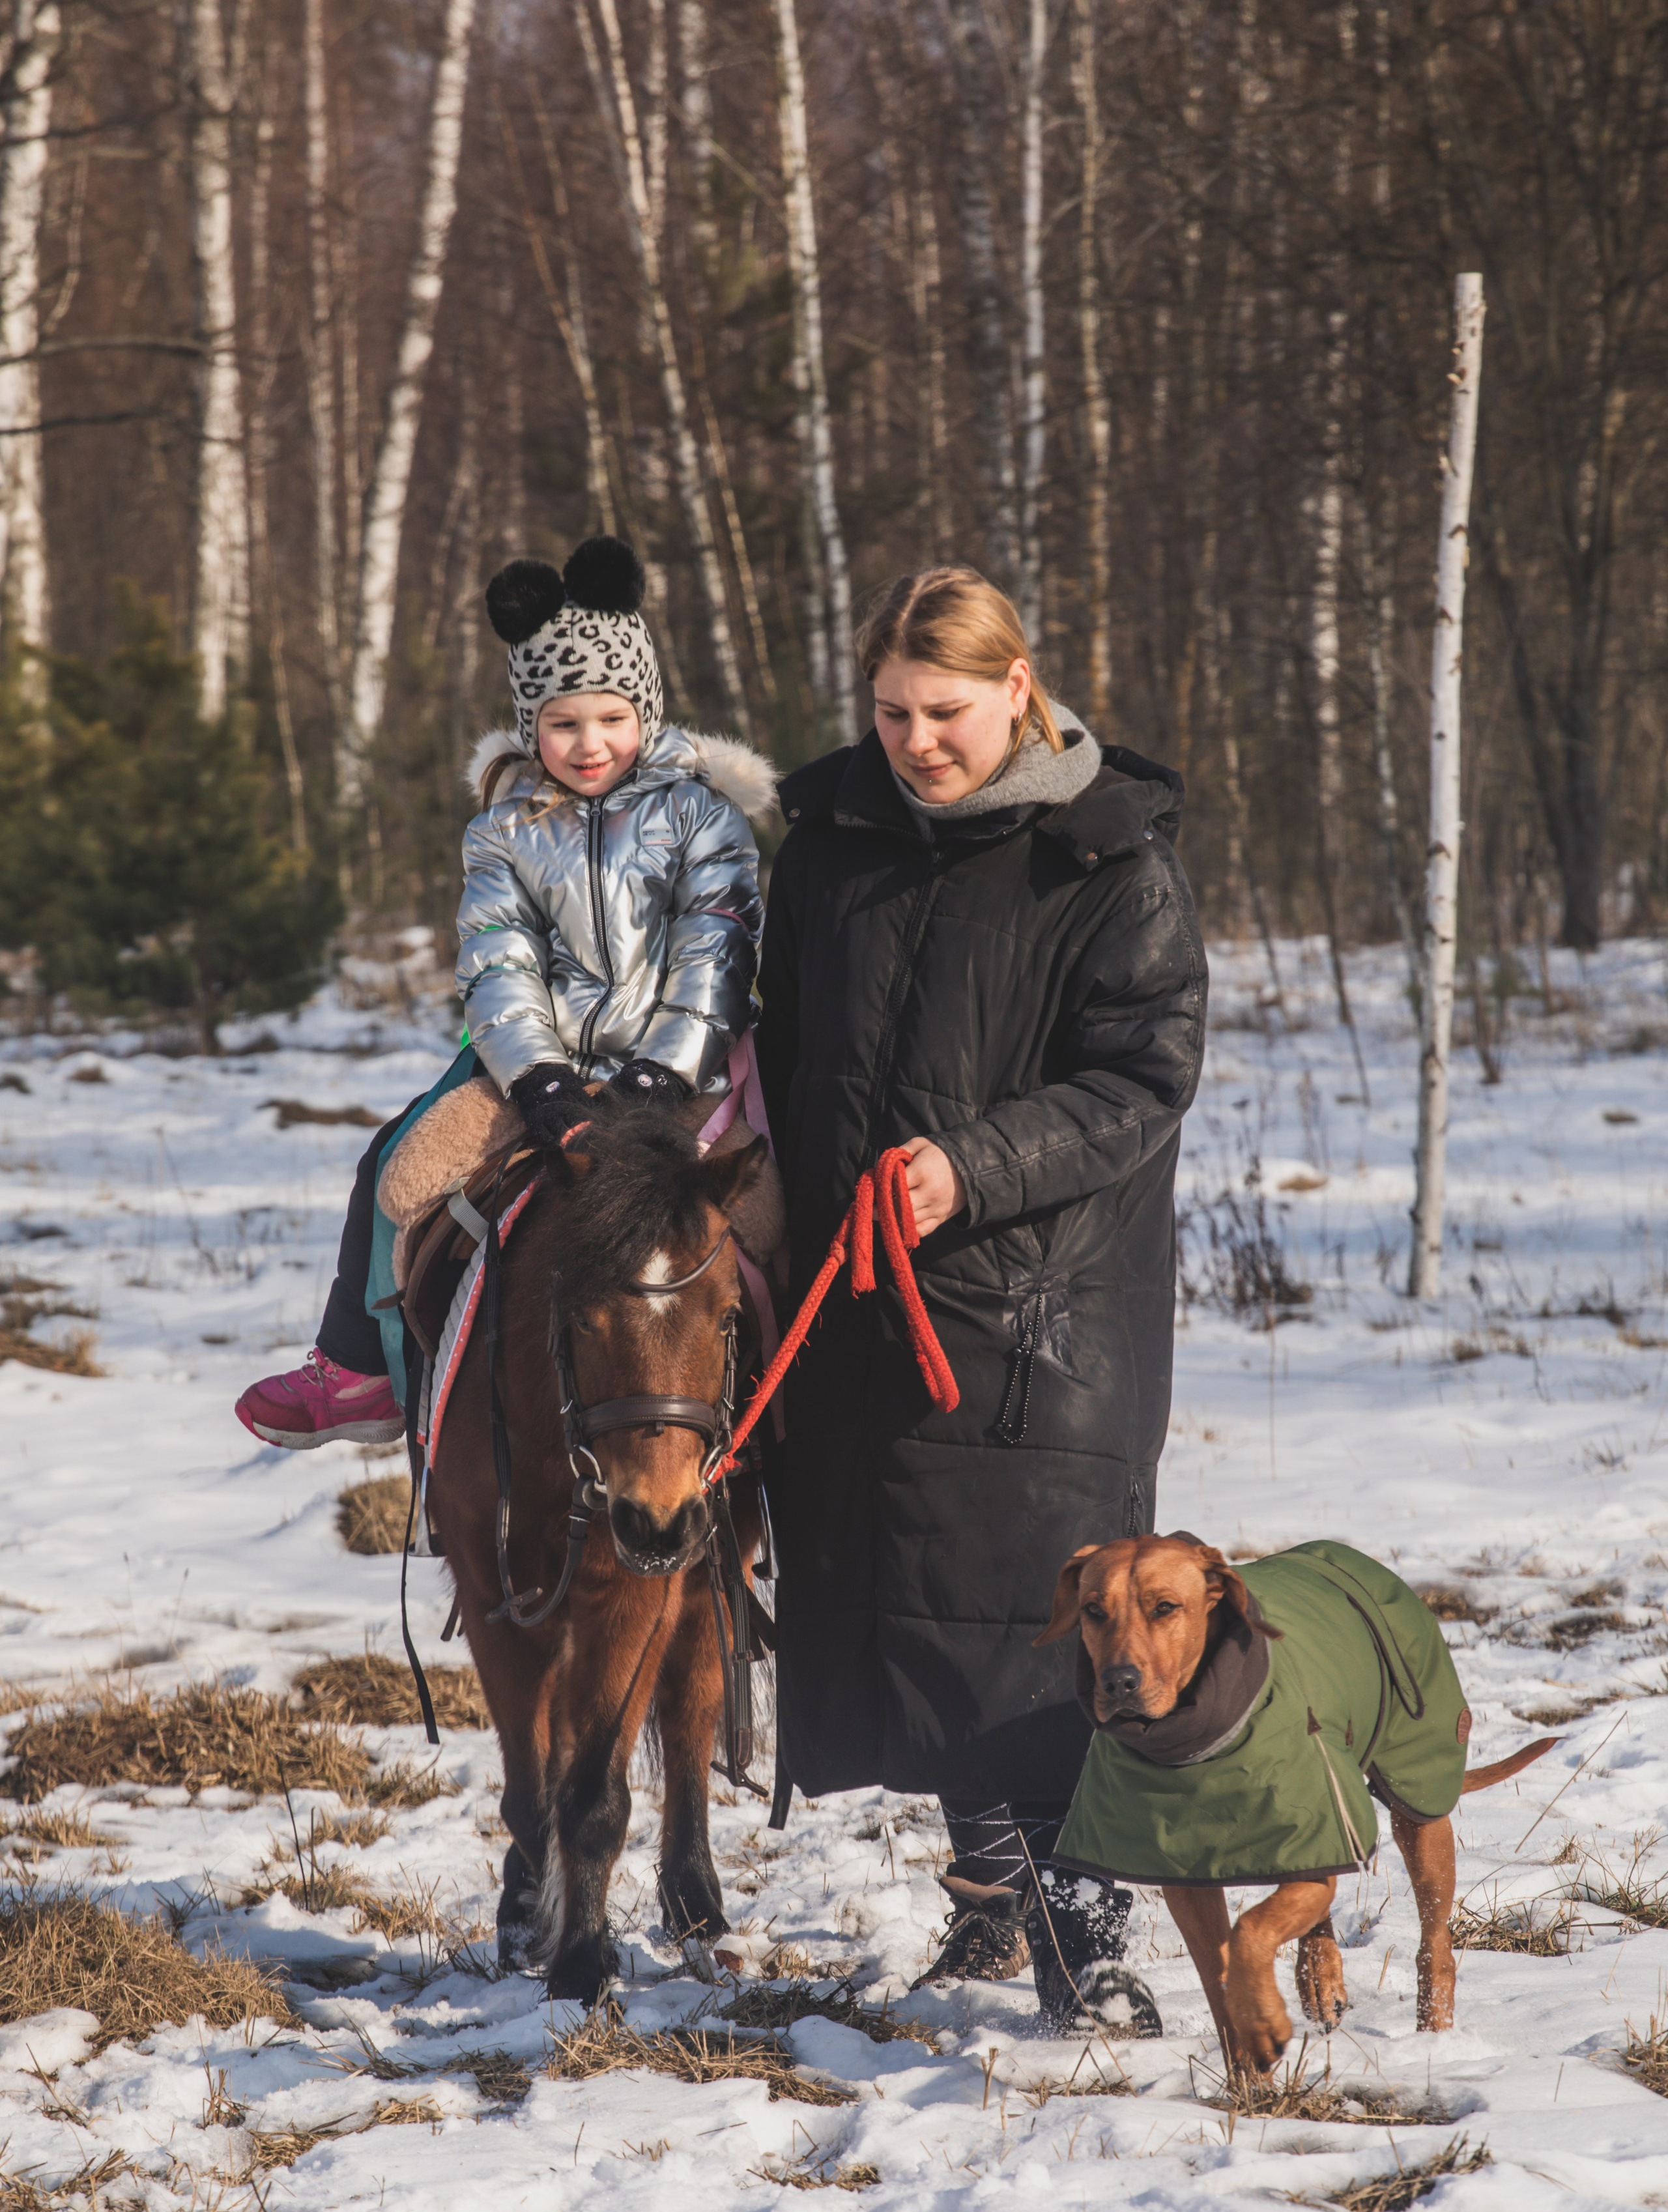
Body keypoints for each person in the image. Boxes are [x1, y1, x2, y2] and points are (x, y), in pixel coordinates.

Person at [755, 565, 1207, 2032]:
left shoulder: (1107, 860)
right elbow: (777, 1043)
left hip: (1038, 1317)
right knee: (909, 1613)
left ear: (1018, 690)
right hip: (855, 1299)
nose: (912, 740)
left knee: (1042, 1628)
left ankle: (1091, 1941)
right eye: (886, 710)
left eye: (942, 711)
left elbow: (1141, 1077)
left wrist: (970, 1165)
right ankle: (990, 1902)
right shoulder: (825, 843)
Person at [236, 535, 767, 1450]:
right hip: (539, 1072)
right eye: (564, 724)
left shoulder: (702, 818)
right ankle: (359, 1368)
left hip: (691, 1073)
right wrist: (543, 1085)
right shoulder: (504, 833)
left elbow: (714, 955)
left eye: (610, 718)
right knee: (395, 1161)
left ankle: (798, 1416)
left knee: (769, 1208)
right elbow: (496, 966)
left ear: (644, 708)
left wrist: (660, 1075)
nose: (590, 744)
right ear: (532, 728)